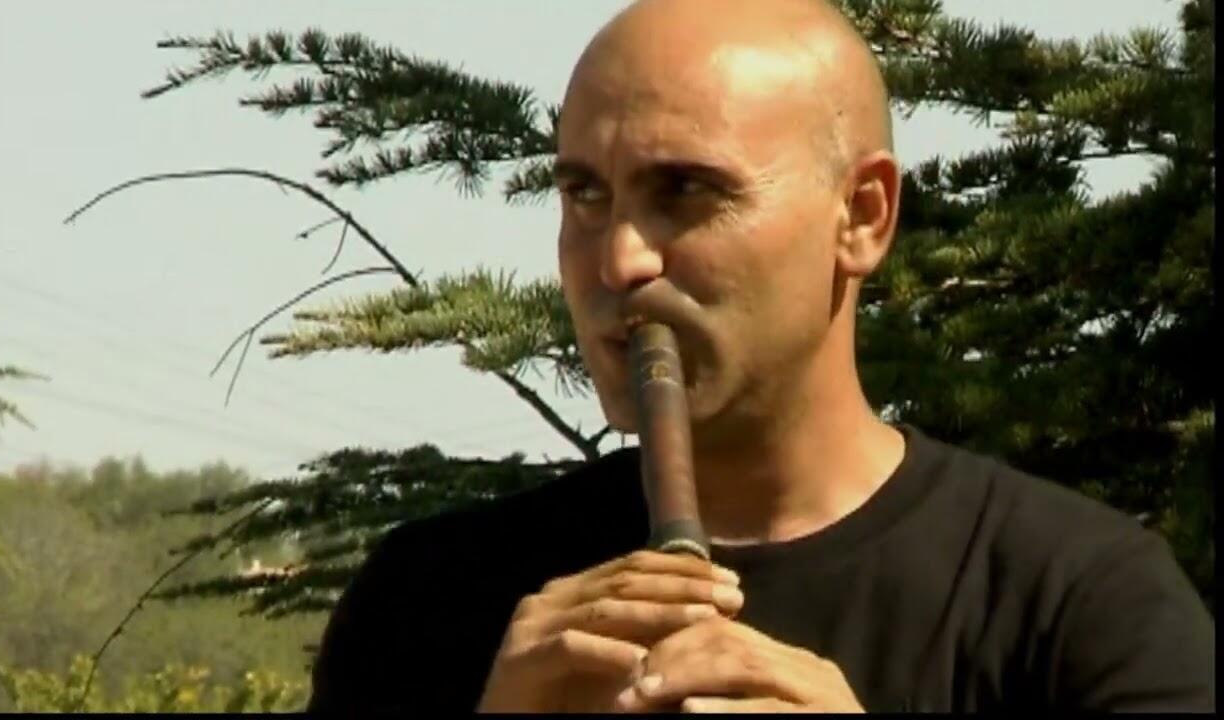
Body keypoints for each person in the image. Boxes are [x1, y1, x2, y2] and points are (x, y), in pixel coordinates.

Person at [306, 0, 1215, 712]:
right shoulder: (427, 605)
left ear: (861, 217)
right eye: (585, 194)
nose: (619, 259)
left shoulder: (1084, 606)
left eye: (684, 190)